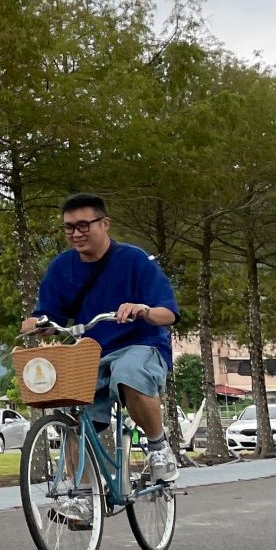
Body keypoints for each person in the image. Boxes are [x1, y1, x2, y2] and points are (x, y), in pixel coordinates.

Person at [19, 193, 180, 485]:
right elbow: (47, 315)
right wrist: (37, 323)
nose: (76, 234)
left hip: (141, 345)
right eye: (69, 227)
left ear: (104, 223)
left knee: (128, 373)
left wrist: (143, 310)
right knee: (70, 407)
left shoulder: (134, 260)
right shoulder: (61, 268)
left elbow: (167, 313)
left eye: (83, 225)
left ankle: (158, 447)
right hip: (91, 353)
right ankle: (81, 494)